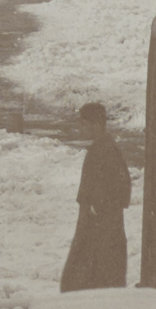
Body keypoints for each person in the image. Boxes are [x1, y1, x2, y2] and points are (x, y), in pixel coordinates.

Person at [60, 103, 130, 291]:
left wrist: (97, 209)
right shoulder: (101, 149)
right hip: (98, 227)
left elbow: (122, 191)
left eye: (83, 124)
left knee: (86, 282)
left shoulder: (105, 151)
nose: (80, 129)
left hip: (100, 229)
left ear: (97, 124)